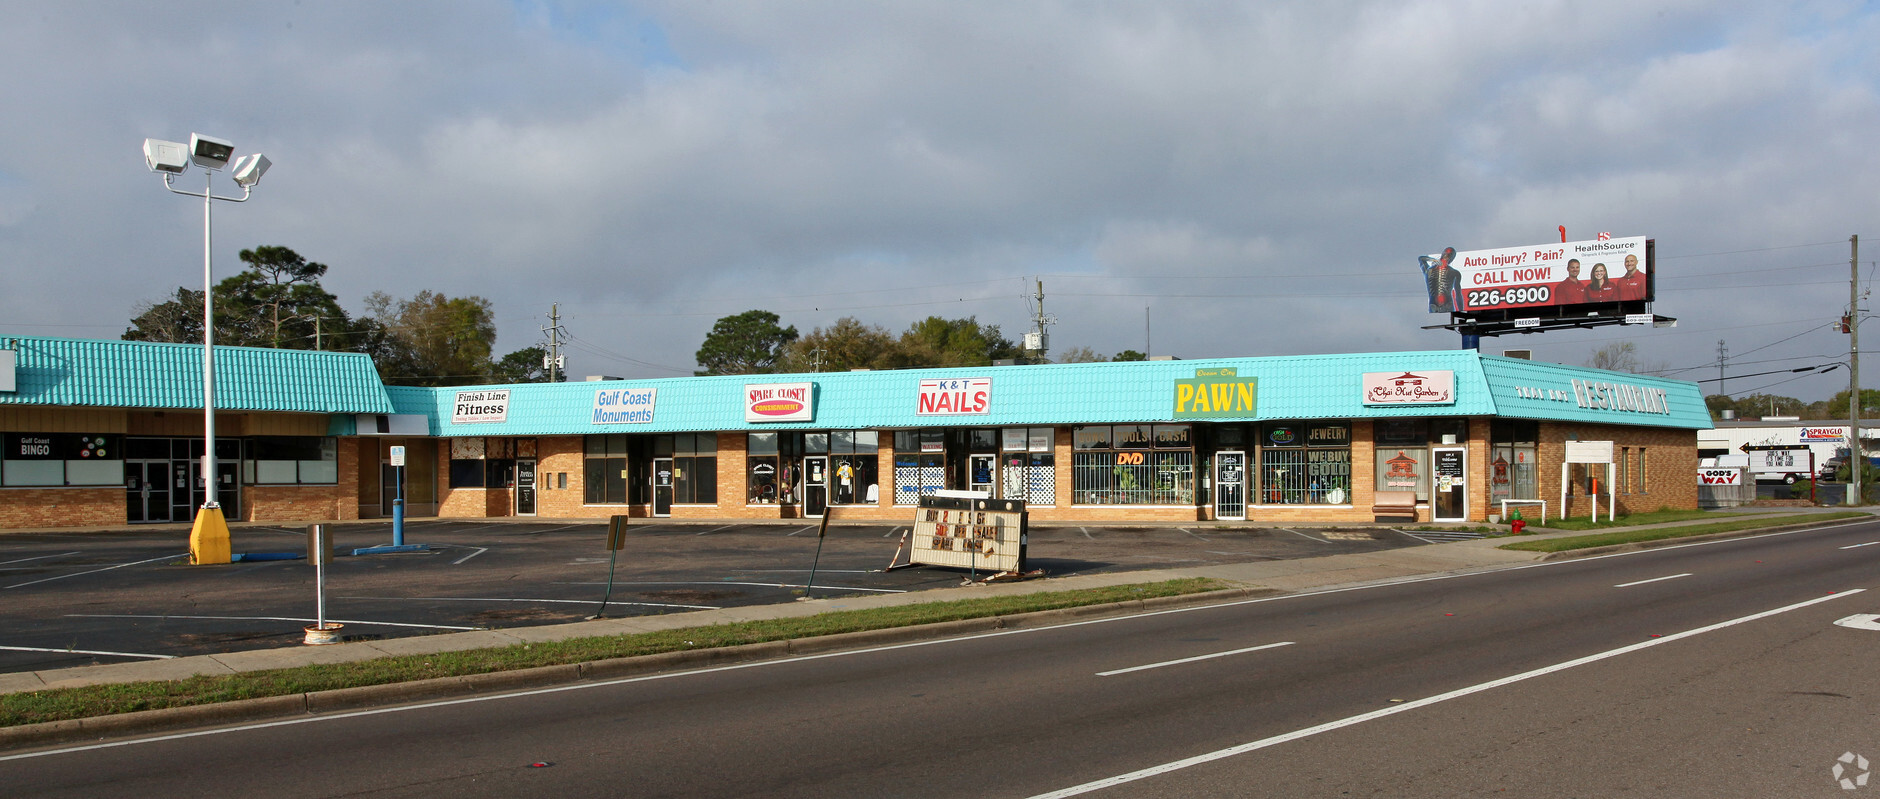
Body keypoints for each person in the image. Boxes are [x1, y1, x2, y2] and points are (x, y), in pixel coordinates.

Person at [1419, 247, 1464, 312]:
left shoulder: (1428, 270)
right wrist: (1461, 312)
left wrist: (1434, 260)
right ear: (1452, 259)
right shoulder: (1454, 272)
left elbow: (1421, 259)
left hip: (1437, 305)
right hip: (1443, 305)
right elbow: (1458, 294)